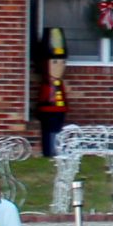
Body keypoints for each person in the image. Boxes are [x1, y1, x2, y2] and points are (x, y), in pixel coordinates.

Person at [36, 27, 71, 157]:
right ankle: (49, 150)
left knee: (58, 128)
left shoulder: (58, 85)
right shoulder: (47, 85)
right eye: (55, 62)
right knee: (49, 129)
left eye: (62, 62)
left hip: (58, 110)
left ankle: (56, 149)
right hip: (49, 110)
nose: (59, 66)